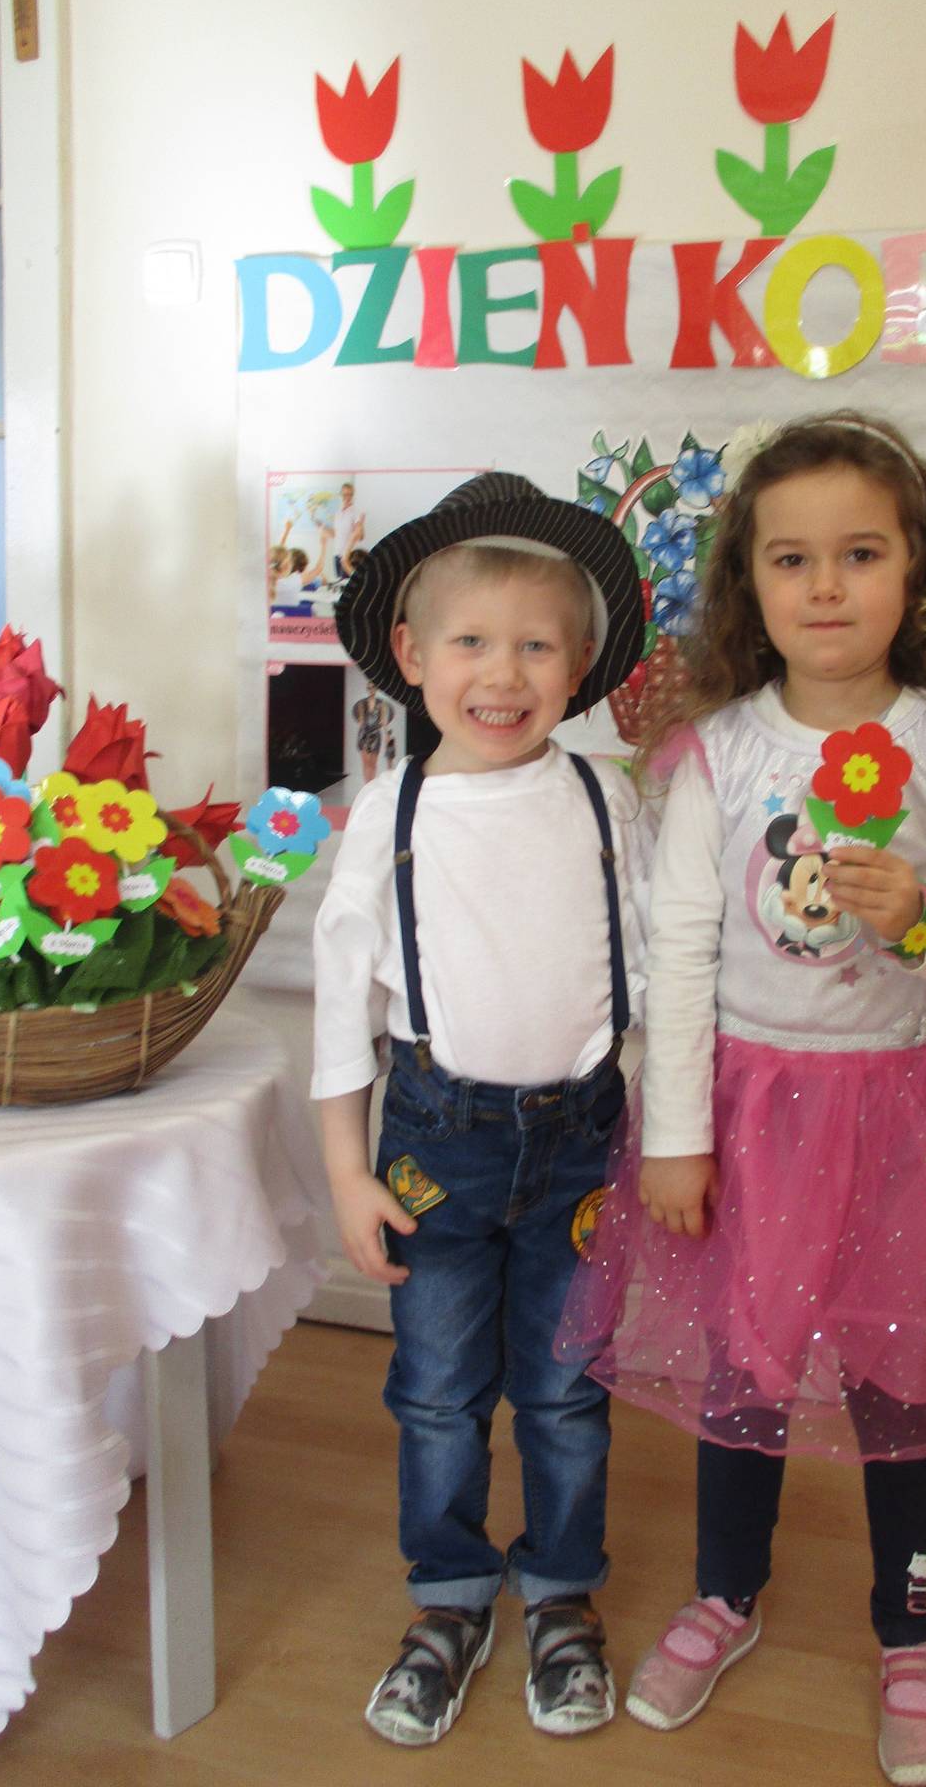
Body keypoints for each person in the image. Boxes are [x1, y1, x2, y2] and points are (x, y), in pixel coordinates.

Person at [559, 413, 926, 1786]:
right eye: (791, 559)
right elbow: (680, 956)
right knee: (742, 1375)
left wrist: (918, 920)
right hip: (747, 1123)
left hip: (906, 1121)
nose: (824, 586)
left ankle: (912, 1636)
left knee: (899, 1388)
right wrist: (675, 1138)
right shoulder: (716, 755)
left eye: (860, 554)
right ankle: (724, 1595)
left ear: (917, 574)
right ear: (750, 586)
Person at [312, 471, 649, 1749]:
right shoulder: (389, 811)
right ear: (411, 656)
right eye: (470, 642)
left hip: (583, 1146)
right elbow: (340, 1004)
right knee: (437, 1392)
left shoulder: (604, 798)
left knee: (566, 1393)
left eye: (536, 647)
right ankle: (449, 1598)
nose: (502, 675)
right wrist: (347, 1173)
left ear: (579, 668)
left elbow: (655, 976)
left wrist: (665, 1138)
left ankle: (561, 1593)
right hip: (433, 1150)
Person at [333, 479, 367, 579]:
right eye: (345, 494)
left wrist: (360, 527)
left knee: (349, 583)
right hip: (337, 554)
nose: (347, 497)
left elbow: (361, 536)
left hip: (349, 556)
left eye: (350, 495)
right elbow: (336, 534)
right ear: (340, 495)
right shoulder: (337, 513)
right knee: (339, 583)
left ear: (353, 495)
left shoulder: (356, 512)